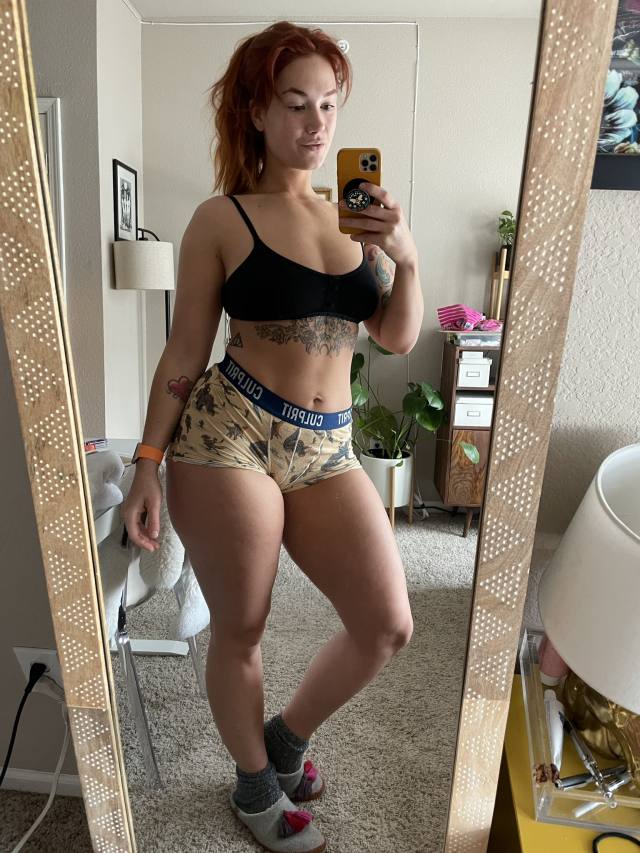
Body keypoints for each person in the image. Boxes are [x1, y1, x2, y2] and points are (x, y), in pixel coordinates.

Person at [122, 20, 423, 852]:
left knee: (387, 624)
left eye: (328, 104)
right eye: (295, 103)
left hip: (327, 445)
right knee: (244, 626)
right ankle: (255, 784)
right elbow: (184, 352)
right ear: (256, 111)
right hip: (231, 435)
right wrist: (147, 463)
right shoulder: (221, 218)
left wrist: (404, 254)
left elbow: (396, 335)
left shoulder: (353, 223)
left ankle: (285, 739)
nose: (316, 123)